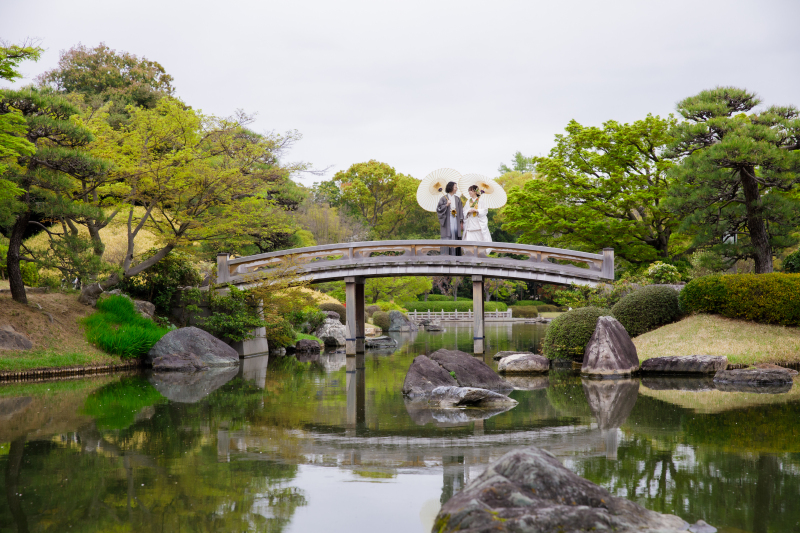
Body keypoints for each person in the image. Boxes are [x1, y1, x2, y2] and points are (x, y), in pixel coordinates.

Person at [436, 181, 463, 255]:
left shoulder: (457, 199)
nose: (456, 188)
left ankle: (456, 257)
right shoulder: (443, 198)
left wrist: (461, 222)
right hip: (447, 221)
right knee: (447, 237)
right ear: (450, 187)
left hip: (456, 220)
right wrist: (446, 205)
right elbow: (438, 209)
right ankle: (446, 257)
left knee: (455, 236)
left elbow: (461, 210)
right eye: (455, 187)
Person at [463, 184, 492, 249]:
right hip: (470, 224)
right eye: (469, 191)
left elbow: (485, 210)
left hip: (478, 224)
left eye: (471, 191)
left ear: (475, 192)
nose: (469, 192)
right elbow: (464, 211)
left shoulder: (481, 201)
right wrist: (468, 211)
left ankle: (480, 254)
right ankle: (470, 255)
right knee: (470, 244)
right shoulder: (468, 201)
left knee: (479, 242)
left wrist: (477, 210)